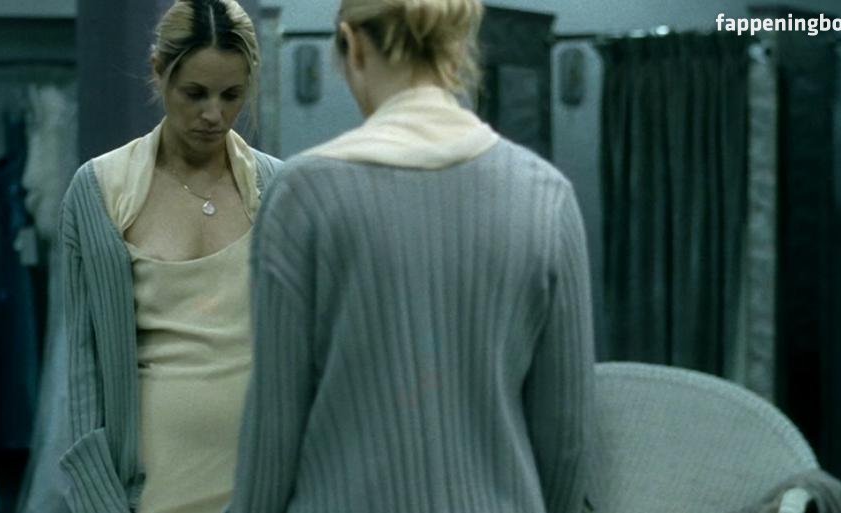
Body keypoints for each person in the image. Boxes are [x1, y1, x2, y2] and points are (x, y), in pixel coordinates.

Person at [229, 0, 596, 512]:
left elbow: (273, 437)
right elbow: (568, 440)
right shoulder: (546, 198)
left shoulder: (303, 196)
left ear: (353, 44)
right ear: (458, 47)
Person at [57, 1, 281, 512]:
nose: (213, 115)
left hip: (261, 480)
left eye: (231, 95)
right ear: (159, 72)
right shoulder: (100, 190)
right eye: (195, 93)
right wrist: (99, 501)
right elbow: (85, 364)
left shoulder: (277, 189)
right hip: (150, 484)